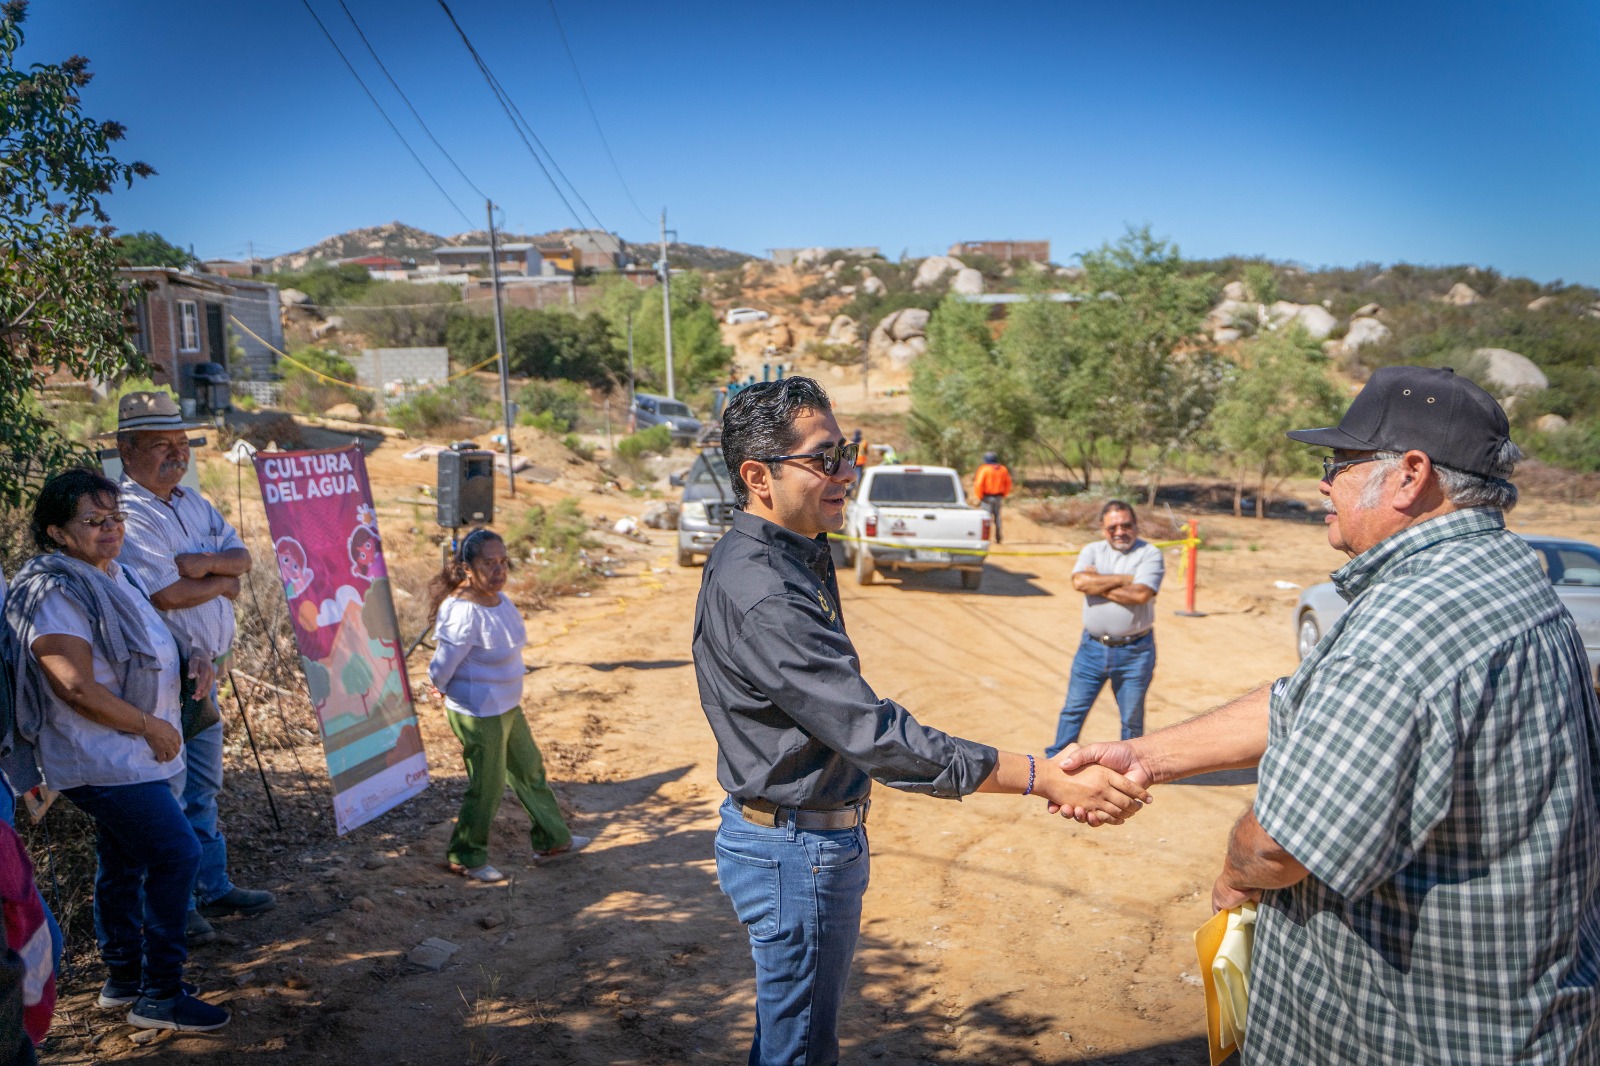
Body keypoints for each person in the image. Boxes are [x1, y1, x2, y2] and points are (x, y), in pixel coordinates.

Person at [1060, 366, 1600, 1063]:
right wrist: (1147, 755)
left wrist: (1234, 873)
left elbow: (1278, 846)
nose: (1322, 484)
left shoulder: (1410, 624)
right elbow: (1302, 701)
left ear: (1410, 476)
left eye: (1338, 464)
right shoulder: (1495, 575)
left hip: (1421, 1036)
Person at [693, 377, 1150, 1066]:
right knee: (800, 1052)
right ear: (758, 476)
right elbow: (874, 734)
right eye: (825, 459)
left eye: (845, 452)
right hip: (796, 851)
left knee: (792, 1036)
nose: (846, 472)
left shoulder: (788, 554)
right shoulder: (765, 591)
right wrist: (1041, 776)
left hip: (797, 840)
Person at [3, 469, 226, 1032]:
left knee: (124, 860)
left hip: (130, 754)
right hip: (99, 756)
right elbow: (73, 685)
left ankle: (124, 978)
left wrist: (190, 659)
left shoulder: (114, 574)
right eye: (94, 521)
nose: (111, 530)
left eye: (116, 518)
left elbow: (151, 642)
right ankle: (161, 993)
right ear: (56, 531)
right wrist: (149, 725)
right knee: (177, 854)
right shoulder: (56, 590)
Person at [113, 390, 272, 945]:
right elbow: (166, 595)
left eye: (182, 444)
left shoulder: (192, 502)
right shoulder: (127, 513)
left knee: (203, 787)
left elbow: (244, 559)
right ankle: (176, 906)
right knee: (171, 792)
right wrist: (219, 581)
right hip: (164, 679)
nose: (176, 455)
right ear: (126, 451)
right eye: (162, 445)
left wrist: (208, 566)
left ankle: (213, 885)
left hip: (206, 672)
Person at [426, 529, 590, 882]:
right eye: (489, 563)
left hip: (507, 706)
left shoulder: (500, 600)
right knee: (486, 786)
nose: (499, 570)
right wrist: (437, 688)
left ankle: (551, 840)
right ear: (468, 568)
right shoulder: (461, 611)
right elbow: (442, 664)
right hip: (476, 712)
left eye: (503, 562)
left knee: (529, 769)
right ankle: (466, 856)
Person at [1044, 501, 1164, 757]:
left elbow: (1141, 594)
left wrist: (1097, 583)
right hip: (1091, 649)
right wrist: (1124, 579)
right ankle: (1055, 760)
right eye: (1113, 527)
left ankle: (1130, 766)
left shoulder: (1150, 554)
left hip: (1135, 651)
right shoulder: (1092, 551)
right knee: (1073, 709)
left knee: (1131, 717)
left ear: (1136, 525)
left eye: (1126, 525)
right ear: (1102, 528)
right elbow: (1079, 581)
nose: (1120, 531)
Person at [970, 451, 1013, 544]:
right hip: (998, 497)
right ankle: (998, 537)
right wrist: (1004, 494)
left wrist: (979, 496)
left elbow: (979, 483)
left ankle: (986, 538)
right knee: (997, 517)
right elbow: (1008, 483)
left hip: (986, 497)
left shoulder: (984, 469)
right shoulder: (1003, 469)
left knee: (986, 518)